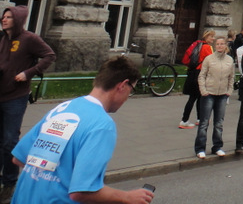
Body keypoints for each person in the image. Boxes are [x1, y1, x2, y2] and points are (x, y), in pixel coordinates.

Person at [10, 56, 153, 204]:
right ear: (122, 86)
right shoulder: (102, 125)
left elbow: (19, 158)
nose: (128, 97)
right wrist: (127, 197)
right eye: (132, 90)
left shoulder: (62, 108)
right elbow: (81, 192)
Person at [0, 6, 56, 203]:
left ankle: (9, 182)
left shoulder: (29, 38)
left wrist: (28, 73)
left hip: (15, 96)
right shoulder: (2, 38)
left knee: (9, 140)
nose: (4, 19)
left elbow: (50, 55)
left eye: (9, 17)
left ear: (18, 19)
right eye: (3, 16)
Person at [195, 36, 235, 158]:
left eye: (222, 44)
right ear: (215, 45)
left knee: (219, 123)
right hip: (209, 94)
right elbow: (202, 76)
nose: (220, 46)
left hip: (222, 95)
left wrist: (229, 90)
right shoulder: (209, 59)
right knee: (204, 123)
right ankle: (200, 148)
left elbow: (231, 77)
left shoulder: (229, 60)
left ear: (225, 46)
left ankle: (217, 146)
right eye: (217, 44)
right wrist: (203, 90)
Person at [180, 30, 214, 128]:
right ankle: (184, 120)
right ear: (206, 37)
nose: (213, 38)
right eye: (211, 36)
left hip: (193, 73)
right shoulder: (208, 47)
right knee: (195, 98)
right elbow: (211, 61)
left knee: (198, 97)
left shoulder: (198, 45)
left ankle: (200, 118)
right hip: (200, 74)